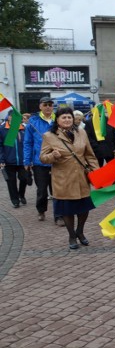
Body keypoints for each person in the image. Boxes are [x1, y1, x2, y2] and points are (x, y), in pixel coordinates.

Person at [39, 107, 99, 249]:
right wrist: (52, 156)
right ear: (57, 120)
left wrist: (96, 171)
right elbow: (42, 158)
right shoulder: (49, 136)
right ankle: (72, 235)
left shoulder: (81, 132)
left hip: (81, 177)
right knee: (68, 210)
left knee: (84, 208)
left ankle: (80, 231)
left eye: (69, 117)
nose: (67, 120)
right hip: (63, 179)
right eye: (63, 117)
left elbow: (89, 154)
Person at [24, 96, 63, 225]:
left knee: (57, 190)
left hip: (57, 161)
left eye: (50, 105)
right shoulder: (32, 122)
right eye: (45, 104)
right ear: (40, 106)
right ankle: (41, 210)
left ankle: (59, 215)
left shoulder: (58, 121)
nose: (48, 107)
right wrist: (26, 161)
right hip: (39, 161)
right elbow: (28, 143)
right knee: (42, 190)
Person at [0, 114, 28, 208]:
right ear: (8, 117)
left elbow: (27, 144)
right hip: (9, 160)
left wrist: (28, 159)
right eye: (12, 116)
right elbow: (1, 146)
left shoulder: (23, 128)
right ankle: (15, 200)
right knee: (11, 182)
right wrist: (2, 159)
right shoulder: (3, 129)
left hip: (22, 160)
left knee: (24, 178)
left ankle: (21, 194)